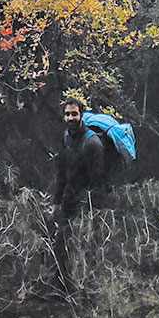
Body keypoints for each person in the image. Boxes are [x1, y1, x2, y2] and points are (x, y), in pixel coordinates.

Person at [49, 96, 105, 224]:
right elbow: (61, 173)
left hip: (85, 207)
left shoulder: (92, 143)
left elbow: (98, 183)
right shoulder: (66, 138)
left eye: (74, 114)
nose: (70, 118)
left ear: (81, 115)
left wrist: (92, 215)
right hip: (68, 201)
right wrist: (56, 202)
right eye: (67, 114)